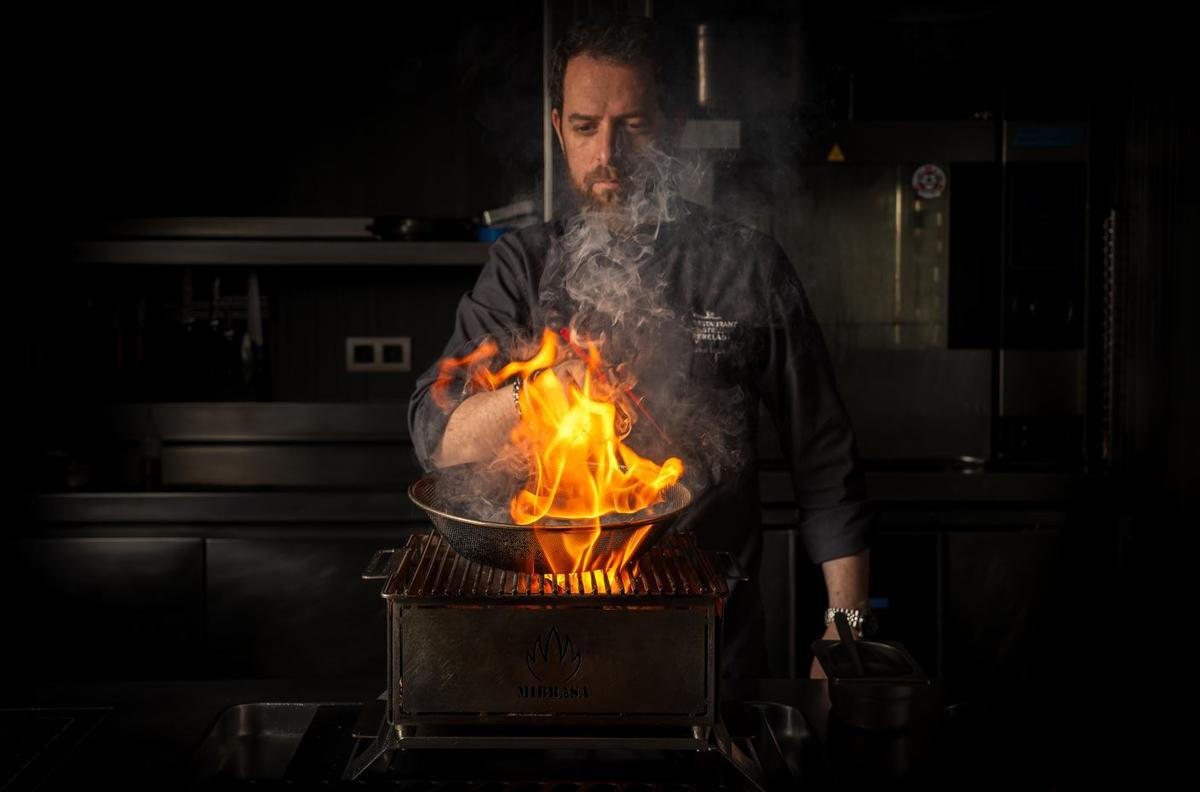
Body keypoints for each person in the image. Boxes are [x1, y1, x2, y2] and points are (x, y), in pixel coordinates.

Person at [408, 17, 872, 680]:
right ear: (557, 126)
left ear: (674, 126)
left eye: (634, 125)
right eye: (586, 126)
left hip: (710, 653)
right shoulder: (520, 270)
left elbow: (828, 468)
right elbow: (437, 440)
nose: (608, 156)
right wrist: (534, 394)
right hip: (541, 656)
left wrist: (844, 633)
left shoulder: (745, 267)